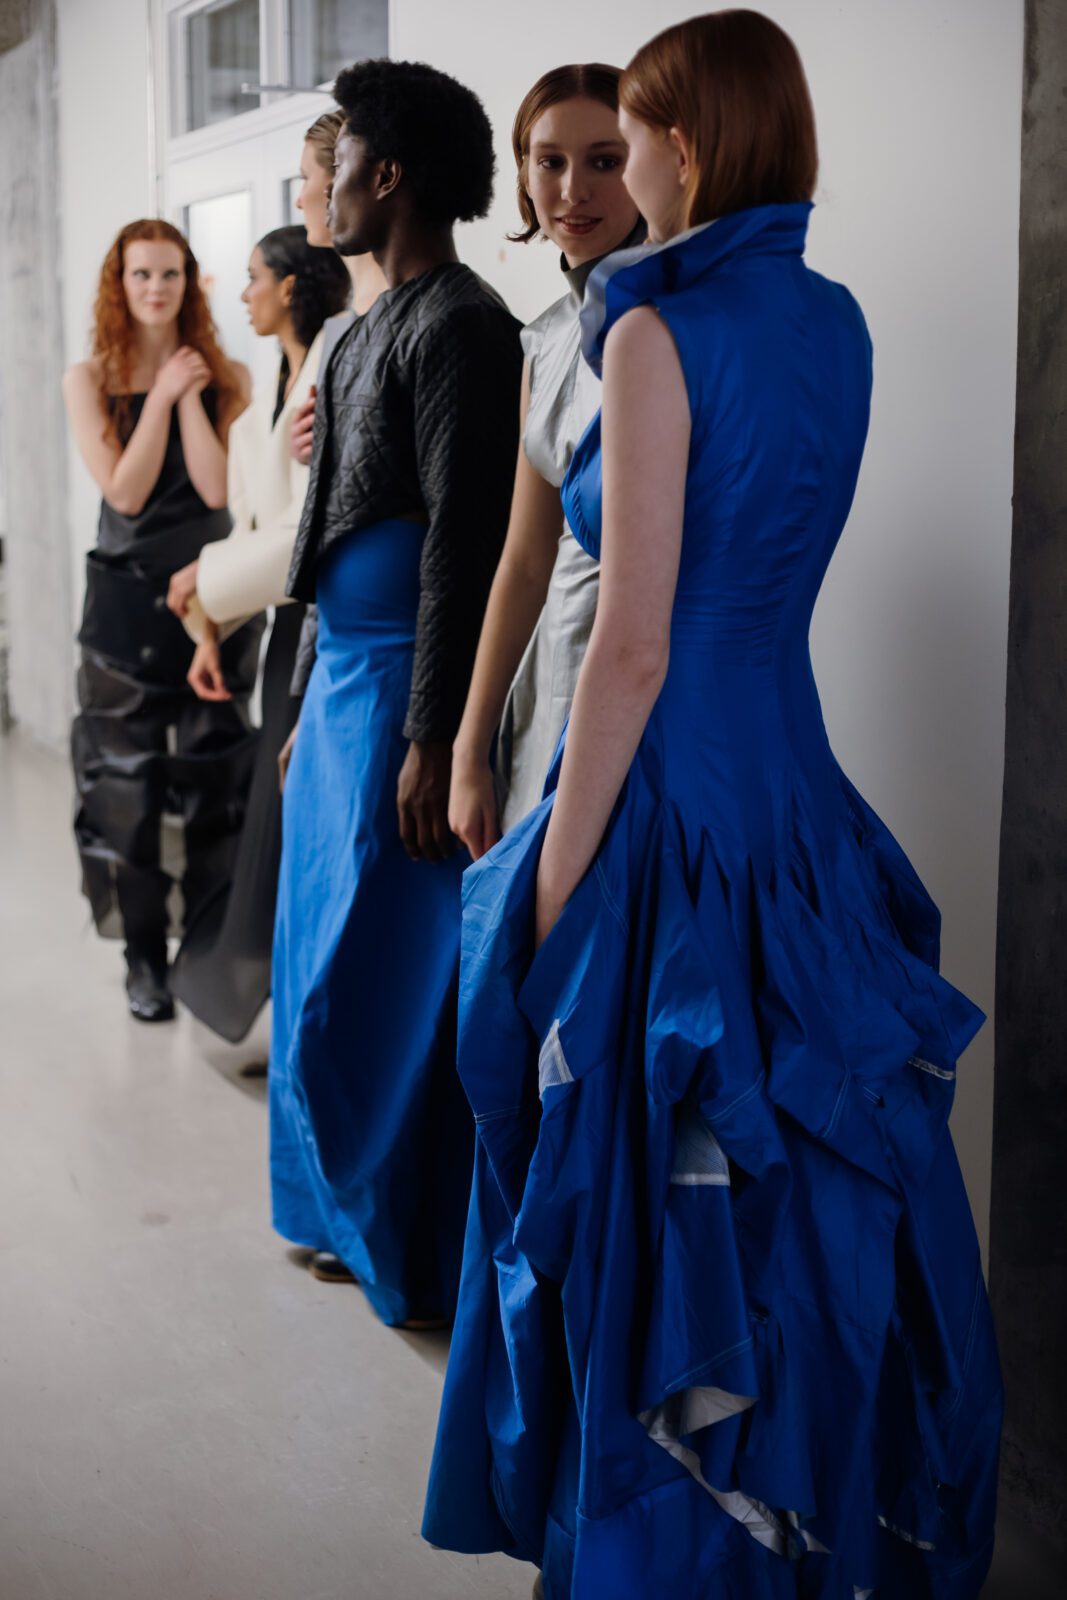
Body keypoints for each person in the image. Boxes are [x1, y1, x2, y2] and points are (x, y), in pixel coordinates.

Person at [424, 13, 1002, 1598]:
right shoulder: (836, 321)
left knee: (655, 1159)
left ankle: (666, 1557)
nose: (618, 170)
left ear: (686, 143)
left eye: (630, 139)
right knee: (792, 1182)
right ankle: (801, 1536)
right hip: (794, 786)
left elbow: (630, 646)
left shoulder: (648, 334)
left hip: (672, 790)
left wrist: (555, 882)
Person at [269, 60, 524, 1326]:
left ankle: (408, 1248)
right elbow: (328, 527)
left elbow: (460, 550)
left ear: (388, 176)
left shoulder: (464, 323)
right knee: (314, 957)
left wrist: (432, 735)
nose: (322, 191)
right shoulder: (367, 324)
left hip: (397, 703)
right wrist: (304, 697)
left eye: (340, 168)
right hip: (341, 692)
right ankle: (334, 1211)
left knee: (383, 980)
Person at [65, 219, 260, 1024]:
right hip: (123, 611)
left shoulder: (228, 374)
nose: (156, 289)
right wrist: (164, 395)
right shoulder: (88, 378)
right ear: (119, 284)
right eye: (141, 275)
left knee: (216, 786)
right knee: (128, 795)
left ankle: (202, 958)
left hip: (210, 602)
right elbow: (125, 491)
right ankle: (142, 959)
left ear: (189, 282)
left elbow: (216, 492)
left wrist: (189, 393)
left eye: (170, 274)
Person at [448, 64, 643, 860]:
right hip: (547, 683)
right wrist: (469, 748)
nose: (571, 190)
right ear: (523, 174)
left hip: (648, 700)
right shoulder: (542, 338)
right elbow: (524, 560)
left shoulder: (682, 324)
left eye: (604, 160)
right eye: (549, 161)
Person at [162, 226, 350, 1043]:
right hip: (281, 629)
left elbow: (309, 528)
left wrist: (202, 582)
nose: (243, 296)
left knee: (301, 823)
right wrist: (209, 624)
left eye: (252, 279)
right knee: (273, 821)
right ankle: (283, 1003)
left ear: (291, 286)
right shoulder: (268, 391)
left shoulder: (337, 361)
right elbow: (253, 528)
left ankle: (311, 1011)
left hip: (330, 625)